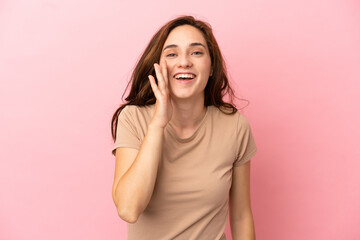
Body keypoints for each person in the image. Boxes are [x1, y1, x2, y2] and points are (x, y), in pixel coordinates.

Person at [111, 15, 258, 240]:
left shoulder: (235, 126)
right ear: (158, 67)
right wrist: (157, 125)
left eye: (196, 52)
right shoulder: (134, 119)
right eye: (172, 54)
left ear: (211, 68)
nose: (184, 62)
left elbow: (240, 215)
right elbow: (129, 209)